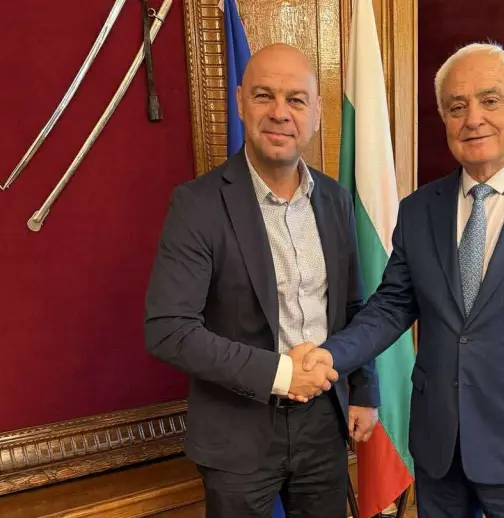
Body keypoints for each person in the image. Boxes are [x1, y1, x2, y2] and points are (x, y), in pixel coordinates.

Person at [297, 42, 504, 518]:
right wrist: (331, 355)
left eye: (490, 100)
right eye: (457, 106)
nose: (473, 119)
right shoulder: (418, 209)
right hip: (438, 442)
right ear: (443, 117)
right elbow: (390, 306)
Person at [144, 43, 380, 518]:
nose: (280, 113)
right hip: (237, 430)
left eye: (296, 100)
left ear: (316, 113)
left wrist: (364, 392)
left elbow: (353, 308)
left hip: (325, 423)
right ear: (240, 102)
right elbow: (169, 330)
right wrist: (282, 375)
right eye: (263, 96)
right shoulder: (197, 205)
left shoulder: (335, 200)